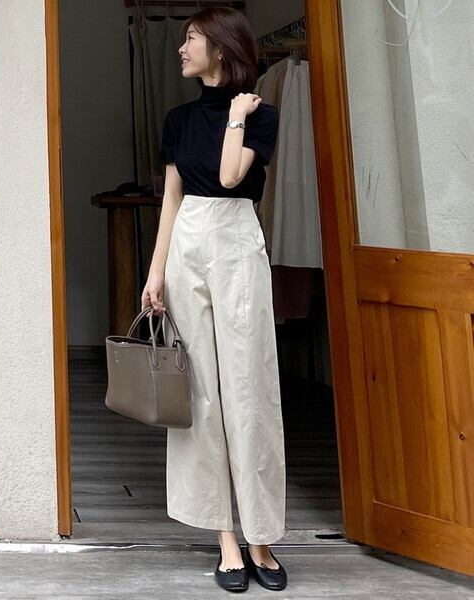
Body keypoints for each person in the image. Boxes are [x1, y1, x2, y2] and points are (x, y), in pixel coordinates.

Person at [141, 7, 287, 593]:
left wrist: (236, 116)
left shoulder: (261, 115)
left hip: (236, 238)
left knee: (249, 387)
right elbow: (173, 199)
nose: (182, 48)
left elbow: (230, 178)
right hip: (188, 242)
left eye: (192, 38)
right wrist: (156, 272)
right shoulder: (178, 119)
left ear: (221, 48)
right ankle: (226, 538)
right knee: (200, 389)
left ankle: (261, 536)